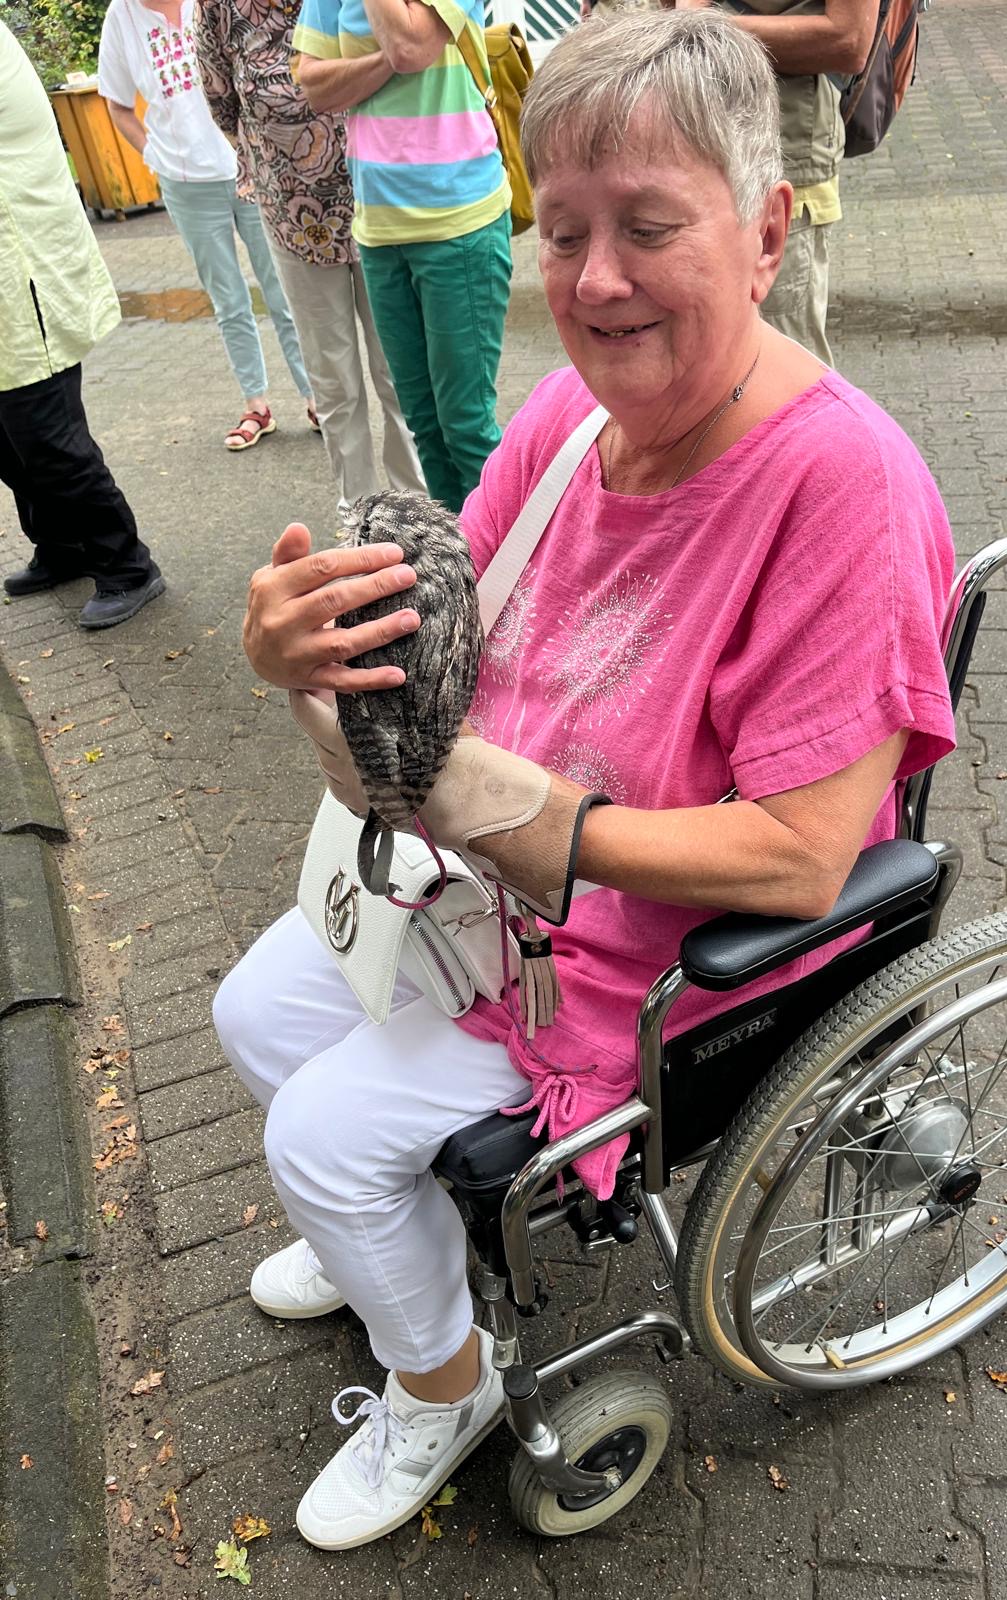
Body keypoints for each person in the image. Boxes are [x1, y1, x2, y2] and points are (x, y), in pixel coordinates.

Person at [216, 10, 957, 1550]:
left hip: (645, 959)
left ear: (764, 234)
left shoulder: (844, 488)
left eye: (647, 226)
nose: (595, 278)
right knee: (250, 1019)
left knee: (319, 1142)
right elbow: (439, 647)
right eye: (562, 230)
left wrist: (545, 823)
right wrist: (315, 653)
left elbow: (808, 860)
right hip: (484, 892)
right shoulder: (568, 417)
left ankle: (449, 1387)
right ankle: (395, 1240)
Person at [194, 0, 426, 528]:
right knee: (333, 378)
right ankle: (360, 519)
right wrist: (265, 159)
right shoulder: (220, 8)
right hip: (291, 215)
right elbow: (220, 97)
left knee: (397, 370)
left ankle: (416, 514)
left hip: (381, 197)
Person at [292, 0, 512, 512]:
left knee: (465, 425)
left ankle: (514, 574)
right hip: (379, 229)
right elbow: (315, 85)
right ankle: (460, 566)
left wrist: (371, 67)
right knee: (424, 422)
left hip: (458, 220)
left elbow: (410, 47)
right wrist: (381, 64)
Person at [0, 20, 165, 629]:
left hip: (23, 275)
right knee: (9, 437)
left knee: (46, 436)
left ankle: (126, 564)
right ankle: (62, 545)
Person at [98, 0, 315, 450]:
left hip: (251, 167)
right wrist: (152, 155)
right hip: (187, 184)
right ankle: (256, 405)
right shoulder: (122, 16)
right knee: (229, 300)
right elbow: (116, 103)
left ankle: (316, 397)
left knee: (284, 292)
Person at [674, 0, 875, 365]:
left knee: (783, 360)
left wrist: (699, 31)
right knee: (702, 351)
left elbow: (850, 40)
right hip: (696, 140)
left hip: (784, 153)